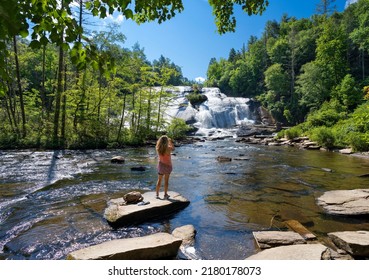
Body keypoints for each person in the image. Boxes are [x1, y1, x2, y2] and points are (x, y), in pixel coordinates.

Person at [155, 135, 175, 199]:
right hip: (168, 166)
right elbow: (173, 148)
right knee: (166, 181)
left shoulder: (158, 148)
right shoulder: (168, 148)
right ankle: (165, 194)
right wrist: (170, 142)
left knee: (159, 180)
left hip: (161, 165)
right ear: (167, 141)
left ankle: (157, 194)